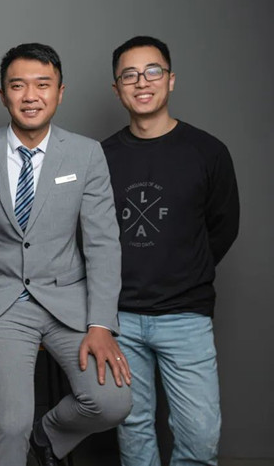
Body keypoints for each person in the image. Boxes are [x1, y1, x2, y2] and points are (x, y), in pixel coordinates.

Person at [0, 43, 133, 466]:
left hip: (67, 301)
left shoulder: (85, 153)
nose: (30, 96)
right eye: (17, 86)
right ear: (3, 95)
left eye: (43, 85)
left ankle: (46, 436)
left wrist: (101, 324)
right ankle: (23, 438)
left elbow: (102, 242)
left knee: (112, 402)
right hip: (0, 300)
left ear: (60, 92)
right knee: (10, 425)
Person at [103, 35, 239, 466]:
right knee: (133, 430)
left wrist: (185, 270)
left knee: (200, 436)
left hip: (186, 316)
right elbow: (89, 236)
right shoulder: (100, 157)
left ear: (171, 79)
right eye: (129, 75)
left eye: (152, 71)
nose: (142, 82)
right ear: (117, 88)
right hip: (120, 318)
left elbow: (223, 227)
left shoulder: (208, 152)